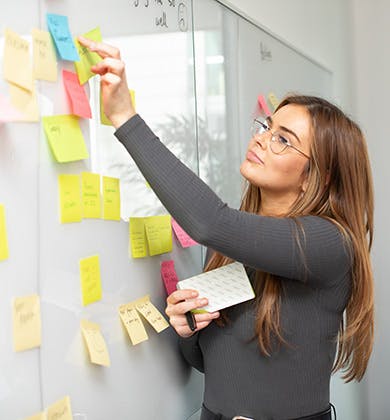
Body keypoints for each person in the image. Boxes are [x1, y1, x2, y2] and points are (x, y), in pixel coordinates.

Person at [78, 37, 374, 420]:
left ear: (316, 176)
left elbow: (208, 221)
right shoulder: (234, 243)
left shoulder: (330, 244)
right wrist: (189, 328)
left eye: (283, 140)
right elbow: (212, 361)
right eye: (268, 127)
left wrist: (124, 117)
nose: (262, 139)